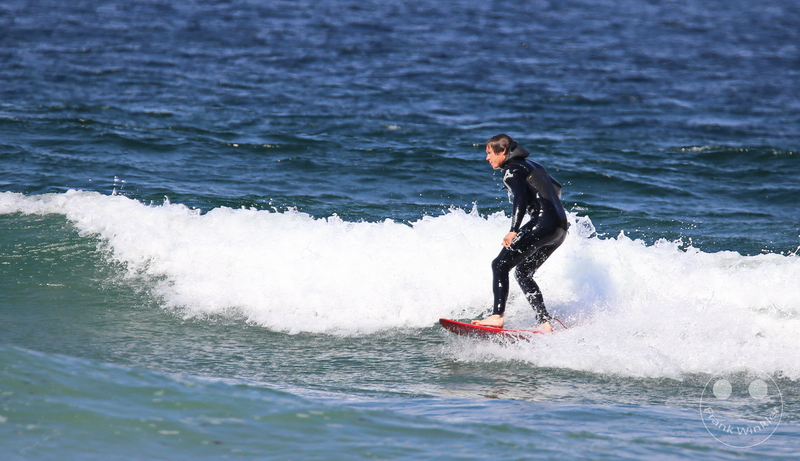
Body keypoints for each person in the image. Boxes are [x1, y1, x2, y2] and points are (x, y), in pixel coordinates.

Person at [472, 134, 568, 332]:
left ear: (503, 151)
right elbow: (557, 187)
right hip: (559, 227)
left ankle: (497, 316)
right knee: (523, 273)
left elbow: (520, 199)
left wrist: (513, 230)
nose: (487, 158)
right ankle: (544, 322)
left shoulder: (512, 169)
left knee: (499, 265)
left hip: (541, 223)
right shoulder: (533, 165)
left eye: (489, 153)